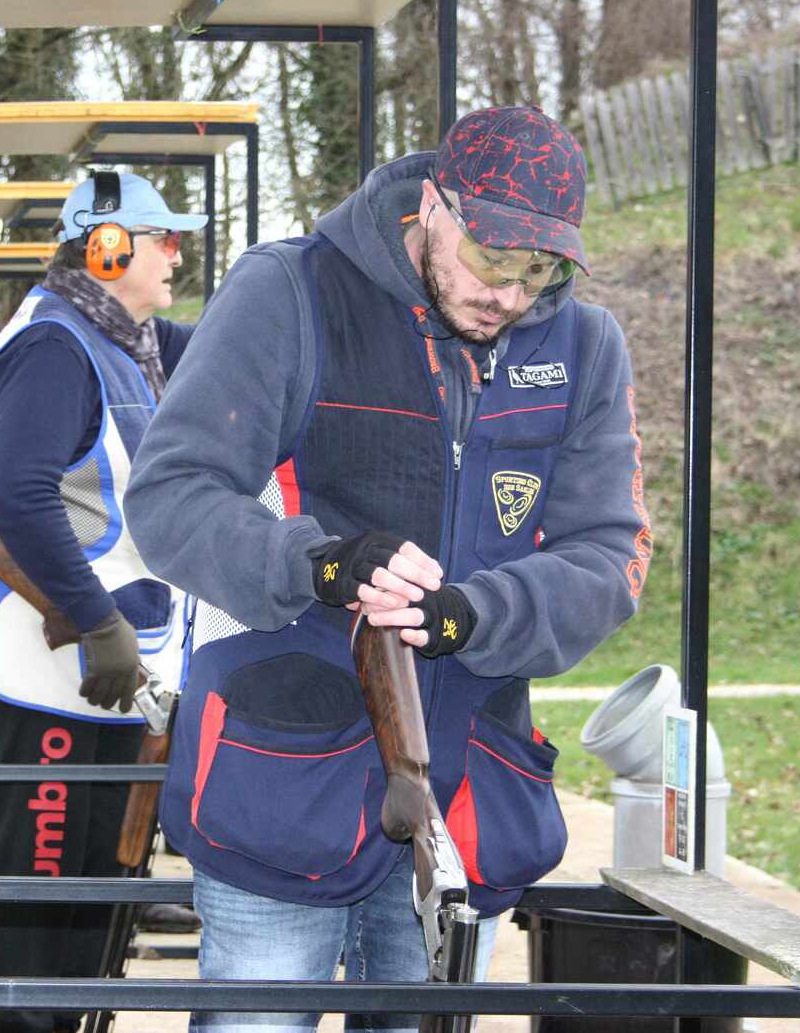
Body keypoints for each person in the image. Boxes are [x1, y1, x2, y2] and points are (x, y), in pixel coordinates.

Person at [123, 106, 653, 1030]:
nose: (509, 294)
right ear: (435, 207)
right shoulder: (289, 290)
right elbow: (172, 495)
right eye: (493, 258)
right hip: (278, 776)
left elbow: (611, 557)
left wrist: (477, 613)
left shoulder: (585, 346)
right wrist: (319, 563)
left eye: (541, 271)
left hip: (467, 791)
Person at [0, 171, 205, 1033]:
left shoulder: (124, 338)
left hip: (105, 650)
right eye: (164, 239)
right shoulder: (56, 344)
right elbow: (16, 493)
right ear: (108, 248)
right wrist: (94, 617)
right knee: (41, 883)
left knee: (92, 882)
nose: (176, 255)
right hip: (54, 651)